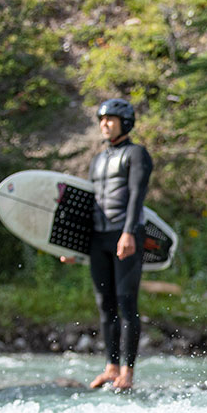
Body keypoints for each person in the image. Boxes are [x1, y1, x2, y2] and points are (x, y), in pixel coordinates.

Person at [63, 98, 153, 391]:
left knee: (126, 302)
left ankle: (128, 371)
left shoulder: (137, 154)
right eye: (102, 119)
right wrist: (73, 246)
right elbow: (89, 203)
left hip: (125, 235)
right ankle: (111, 367)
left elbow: (137, 196)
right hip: (97, 238)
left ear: (125, 123)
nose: (105, 124)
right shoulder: (98, 159)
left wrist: (128, 232)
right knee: (105, 305)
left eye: (111, 119)